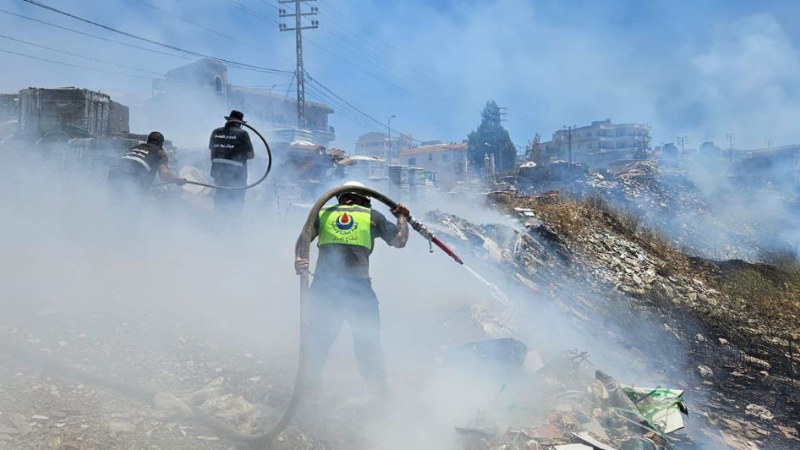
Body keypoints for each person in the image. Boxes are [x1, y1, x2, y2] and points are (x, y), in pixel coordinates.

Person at [294, 181, 410, 403]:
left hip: (324, 288)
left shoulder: (324, 213)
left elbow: (302, 241)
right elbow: (400, 241)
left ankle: (308, 395)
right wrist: (402, 218)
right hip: (358, 289)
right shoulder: (370, 215)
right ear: (364, 198)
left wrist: (298, 261)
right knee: (367, 341)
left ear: (341, 197)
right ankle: (379, 394)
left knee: (318, 341)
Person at [107, 131, 185, 205]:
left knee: (114, 203)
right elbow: (164, 174)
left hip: (113, 173)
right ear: (161, 144)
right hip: (132, 176)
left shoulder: (134, 148)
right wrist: (177, 180)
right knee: (132, 208)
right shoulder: (160, 152)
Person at [208, 110, 254, 218]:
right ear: (240, 123)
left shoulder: (216, 132)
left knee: (220, 197)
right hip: (237, 175)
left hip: (218, 172)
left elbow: (212, 153)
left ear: (228, 120)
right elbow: (251, 155)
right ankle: (233, 226)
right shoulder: (243, 134)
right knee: (236, 201)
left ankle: (218, 224)